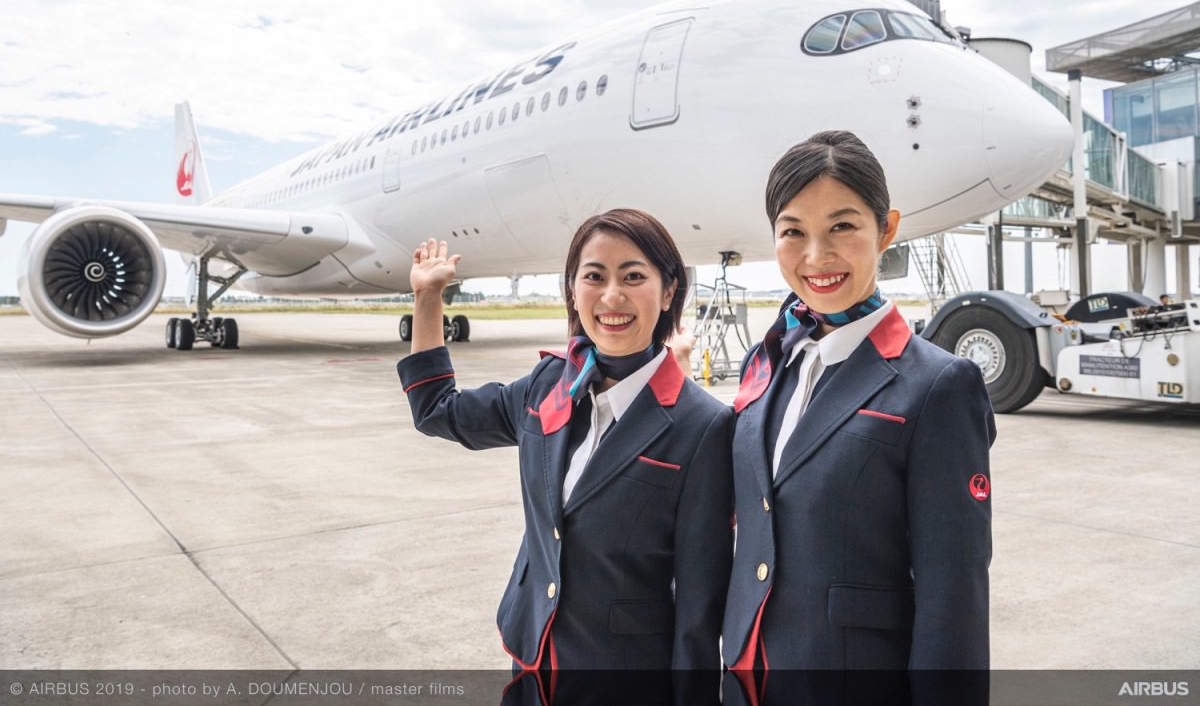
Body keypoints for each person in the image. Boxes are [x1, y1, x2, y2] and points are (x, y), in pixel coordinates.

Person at [396, 209, 734, 704]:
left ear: (668, 292)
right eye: (594, 276)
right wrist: (428, 298)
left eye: (633, 277)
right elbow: (436, 411)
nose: (611, 296)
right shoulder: (546, 386)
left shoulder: (703, 425)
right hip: (532, 658)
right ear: (572, 291)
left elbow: (699, 607)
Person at [721, 131, 996, 705]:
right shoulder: (767, 361)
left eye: (842, 226)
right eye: (793, 232)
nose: (816, 257)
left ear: (886, 229)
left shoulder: (938, 384)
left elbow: (953, 594)